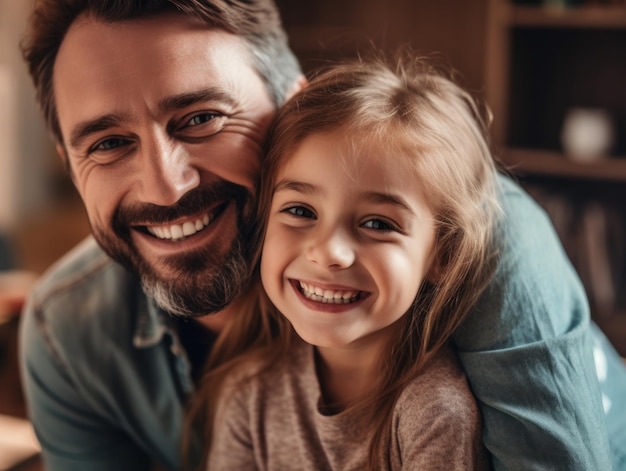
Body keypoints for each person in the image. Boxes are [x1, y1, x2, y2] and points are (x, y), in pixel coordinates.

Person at [17, 1, 626, 470]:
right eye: (108, 143)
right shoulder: (66, 331)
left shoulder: (480, 236)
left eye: (201, 118)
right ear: (70, 164)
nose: (166, 187)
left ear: (293, 107)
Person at [193, 53, 496, 470]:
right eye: (300, 211)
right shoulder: (249, 392)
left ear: (441, 254)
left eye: (377, 223)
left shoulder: (434, 414)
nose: (329, 252)